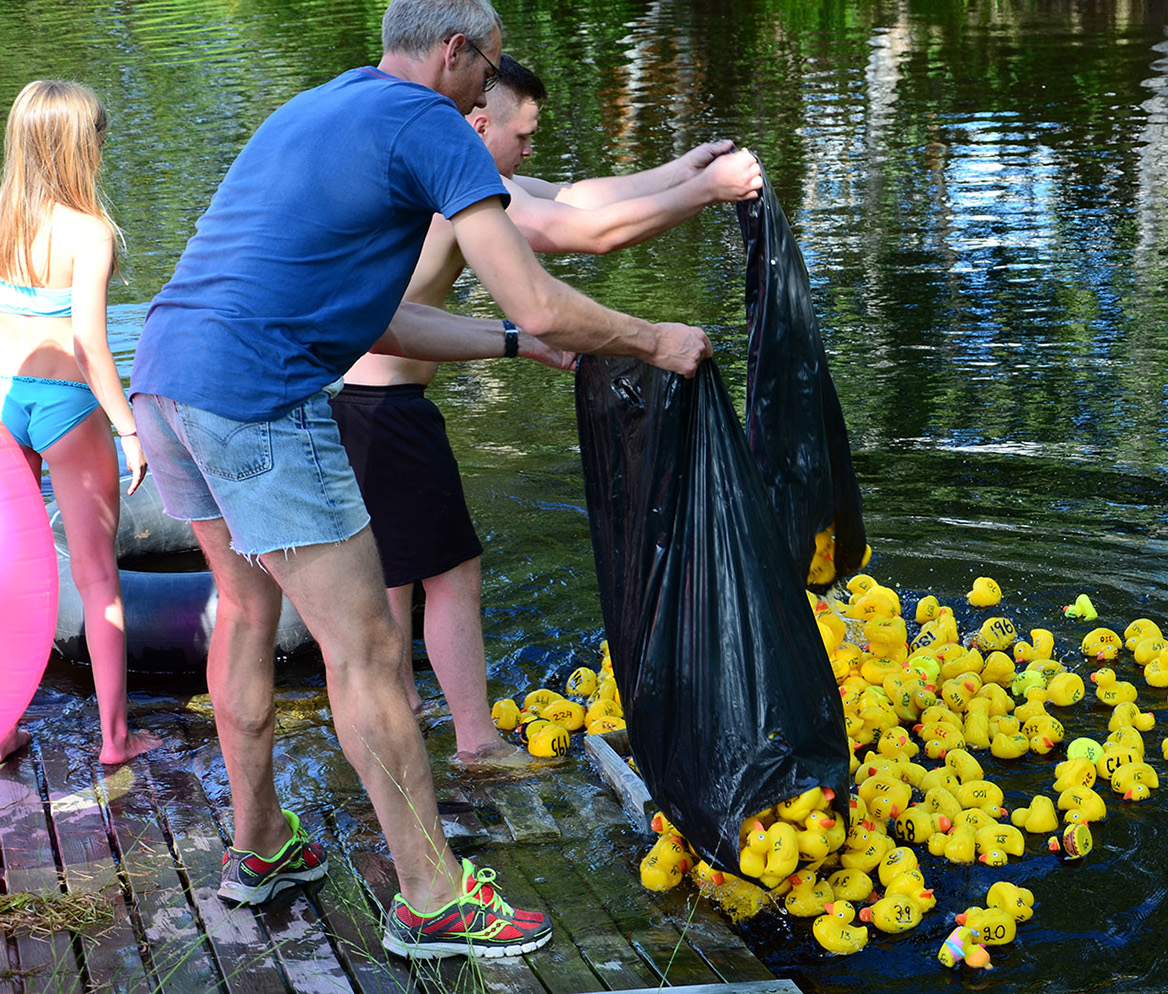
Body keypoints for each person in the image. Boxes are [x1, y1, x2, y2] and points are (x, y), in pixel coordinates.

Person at [129, 0, 711, 961]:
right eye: (487, 69)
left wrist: (514, 347)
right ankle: (434, 897)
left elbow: (379, 321)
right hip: (256, 394)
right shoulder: (435, 125)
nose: (489, 93)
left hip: (168, 377)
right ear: (455, 51)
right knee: (367, 651)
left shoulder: (315, 110)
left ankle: (261, 844)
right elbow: (536, 287)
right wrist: (654, 340)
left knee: (242, 614)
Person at [332, 54, 762, 763]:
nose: (531, 149)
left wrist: (684, 171)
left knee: (398, 574)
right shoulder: (454, 187)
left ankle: (403, 704)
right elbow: (584, 233)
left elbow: (577, 198)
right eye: (522, 134)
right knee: (451, 574)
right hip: (382, 408)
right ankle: (476, 743)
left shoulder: (444, 170)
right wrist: (708, 194)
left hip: (359, 405)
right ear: (478, 123)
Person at [0, 80, 163, 767]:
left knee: (7, 572)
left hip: (5, 400)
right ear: (76, 145)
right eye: (98, 135)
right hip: (67, 407)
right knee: (98, 578)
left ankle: (5, 727)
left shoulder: (4, 214)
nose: (103, 146)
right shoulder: (89, 231)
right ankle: (116, 738)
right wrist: (129, 429)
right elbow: (94, 346)